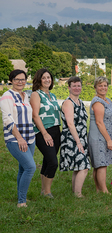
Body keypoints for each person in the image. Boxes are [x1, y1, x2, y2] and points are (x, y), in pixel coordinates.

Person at [0, 70, 36, 207]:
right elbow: (7, 119)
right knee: (30, 167)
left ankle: (21, 196)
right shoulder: (6, 96)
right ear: (11, 81)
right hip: (15, 138)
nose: (20, 82)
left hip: (30, 138)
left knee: (23, 168)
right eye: (17, 79)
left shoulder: (25, 96)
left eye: (23, 79)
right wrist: (19, 138)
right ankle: (22, 202)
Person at [30, 68, 61, 198]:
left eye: (49, 77)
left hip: (56, 130)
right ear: (39, 80)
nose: (47, 80)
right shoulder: (36, 94)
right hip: (43, 131)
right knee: (53, 162)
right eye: (44, 78)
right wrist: (44, 133)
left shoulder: (52, 95)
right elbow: (35, 115)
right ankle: (48, 192)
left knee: (48, 161)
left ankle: (43, 190)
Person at [59, 76, 90, 198]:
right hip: (72, 139)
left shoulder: (80, 102)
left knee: (78, 166)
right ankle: (78, 194)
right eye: (74, 86)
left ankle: (75, 192)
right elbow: (70, 124)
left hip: (82, 138)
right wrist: (78, 142)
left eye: (79, 85)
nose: (77, 88)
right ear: (69, 88)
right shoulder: (68, 103)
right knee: (84, 166)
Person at [88, 76, 112, 194]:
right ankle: (104, 190)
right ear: (95, 87)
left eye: (105, 85)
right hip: (99, 137)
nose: (103, 88)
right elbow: (99, 123)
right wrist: (109, 140)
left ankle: (98, 190)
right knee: (101, 164)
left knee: (99, 164)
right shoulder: (98, 102)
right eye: (100, 85)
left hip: (105, 135)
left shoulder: (107, 100)